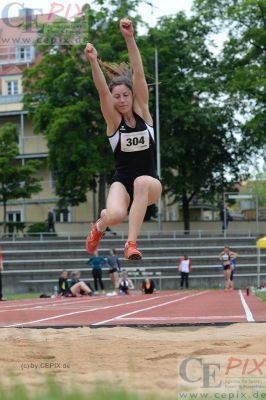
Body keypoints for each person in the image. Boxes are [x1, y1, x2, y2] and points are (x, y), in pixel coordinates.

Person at [84, 18, 162, 260]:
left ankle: (131, 244)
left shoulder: (144, 114)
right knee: (115, 215)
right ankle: (98, 227)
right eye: (116, 96)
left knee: (140, 182)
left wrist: (129, 38)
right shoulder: (113, 123)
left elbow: (138, 72)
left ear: (132, 95)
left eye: (125, 95)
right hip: (122, 181)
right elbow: (101, 89)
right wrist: (94, 62)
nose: (121, 100)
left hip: (150, 183)